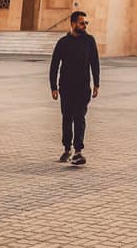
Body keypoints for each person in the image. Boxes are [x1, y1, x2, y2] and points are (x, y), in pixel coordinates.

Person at [50, 10, 100, 164]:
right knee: (67, 118)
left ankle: (78, 151)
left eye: (86, 23)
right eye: (81, 23)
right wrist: (53, 87)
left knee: (79, 118)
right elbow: (54, 65)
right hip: (66, 87)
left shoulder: (89, 41)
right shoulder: (63, 43)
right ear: (73, 24)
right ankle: (66, 148)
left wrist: (96, 83)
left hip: (83, 88)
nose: (84, 25)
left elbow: (95, 63)